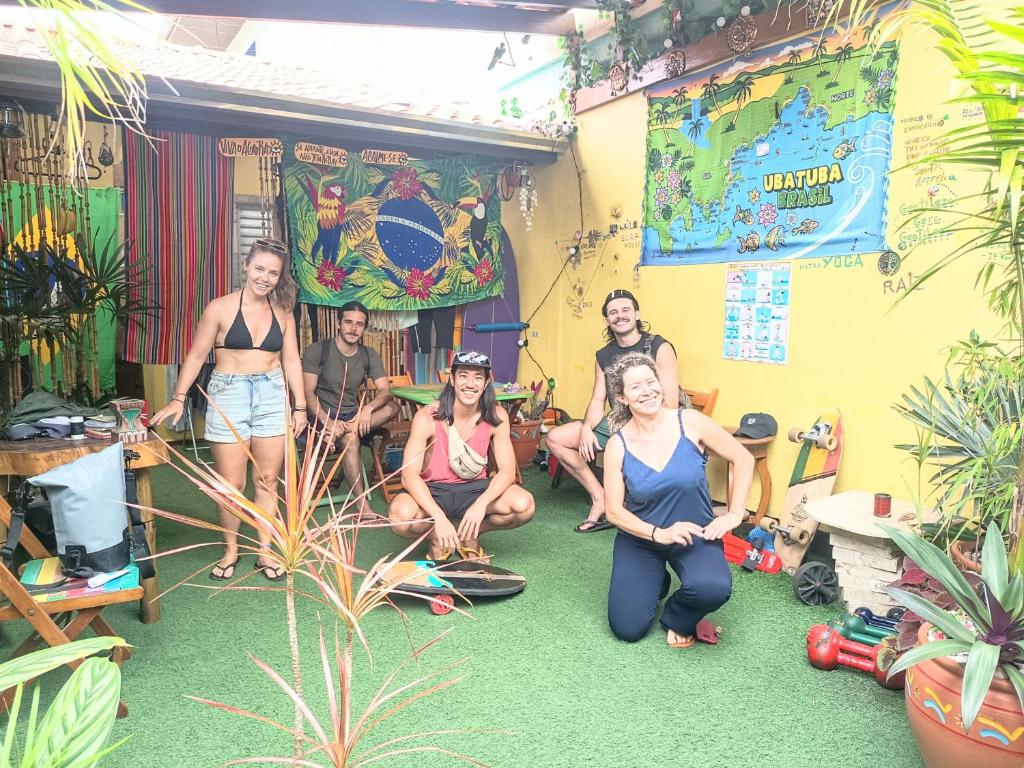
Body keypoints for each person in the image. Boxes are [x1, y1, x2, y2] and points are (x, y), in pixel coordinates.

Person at [151, 238, 307, 582]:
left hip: (272, 394)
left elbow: (292, 361)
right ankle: (231, 550)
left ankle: (264, 551)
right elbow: (196, 355)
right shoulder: (219, 308)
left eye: (273, 273)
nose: (265, 277)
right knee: (231, 484)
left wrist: (300, 406)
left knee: (267, 480)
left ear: (280, 277)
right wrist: (178, 396)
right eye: (260, 269)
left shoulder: (283, 313)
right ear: (246, 266)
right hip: (229, 395)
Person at [602, 352, 754, 648]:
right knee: (627, 628)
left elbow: (743, 458)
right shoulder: (617, 445)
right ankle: (657, 580)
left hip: (695, 534)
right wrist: (658, 534)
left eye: (651, 382)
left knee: (712, 588)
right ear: (622, 398)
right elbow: (613, 511)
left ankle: (677, 614)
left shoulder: (690, 422)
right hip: (643, 540)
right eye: (636, 387)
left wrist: (735, 513)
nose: (647, 391)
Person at [546, 288, 680, 533]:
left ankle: (646, 509)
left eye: (626, 310)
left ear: (637, 314)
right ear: (607, 320)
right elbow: (598, 400)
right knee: (556, 438)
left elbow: (670, 403)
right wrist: (587, 428)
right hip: (618, 422)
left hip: (656, 425)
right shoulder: (604, 355)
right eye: (613, 312)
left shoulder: (659, 347)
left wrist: (636, 431)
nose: (620, 316)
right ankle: (601, 498)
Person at [388, 350, 534, 563]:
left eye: (478, 377)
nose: (470, 384)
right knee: (400, 516)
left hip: (474, 489)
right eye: (463, 376)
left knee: (523, 505)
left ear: (486, 383)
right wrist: (438, 517)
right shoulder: (427, 417)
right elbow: (408, 476)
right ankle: (436, 537)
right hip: (433, 490)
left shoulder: (497, 416)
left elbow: (507, 472)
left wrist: (480, 505)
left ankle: (469, 534)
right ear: (452, 379)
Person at [302, 300, 399, 514]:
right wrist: (328, 422)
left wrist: (367, 409)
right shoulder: (318, 351)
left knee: (393, 407)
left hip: (353, 418)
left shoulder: (368, 354)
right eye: (348, 322)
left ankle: (347, 430)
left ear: (364, 328)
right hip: (320, 419)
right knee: (351, 440)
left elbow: (385, 390)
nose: (354, 328)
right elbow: (307, 393)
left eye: (359, 324)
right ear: (339, 323)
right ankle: (363, 506)